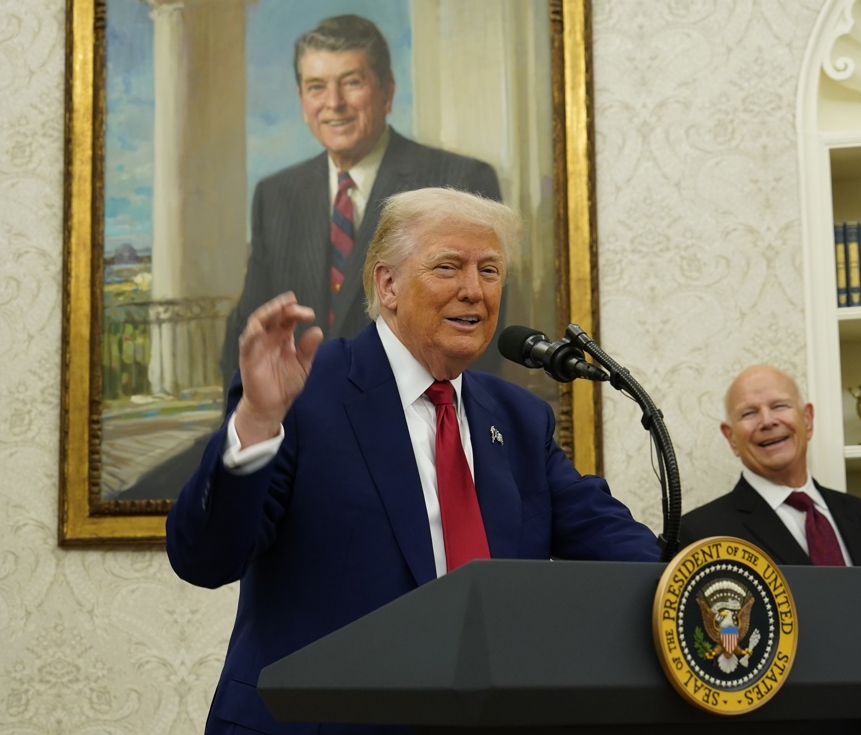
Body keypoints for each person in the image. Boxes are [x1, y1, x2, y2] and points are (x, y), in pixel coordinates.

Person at [167, 187, 660, 735]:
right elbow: (204, 558)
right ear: (388, 284)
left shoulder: (520, 420)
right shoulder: (305, 390)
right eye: (448, 266)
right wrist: (257, 422)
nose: (474, 290)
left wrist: (706, 591)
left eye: (490, 271)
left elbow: (619, 549)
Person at [220, 13, 503, 382]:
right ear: (302, 99)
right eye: (316, 86)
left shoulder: (459, 180)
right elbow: (249, 330)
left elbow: (475, 335)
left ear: (387, 91)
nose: (333, 103)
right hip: (297, 422)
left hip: (411, 425)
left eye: (351, 82)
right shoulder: (276, 195)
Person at [677, 363, 861, 735]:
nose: (767, 421)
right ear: (731, 437)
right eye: (749, 413)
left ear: (807, 419)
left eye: (779, 406)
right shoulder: (702, 534)